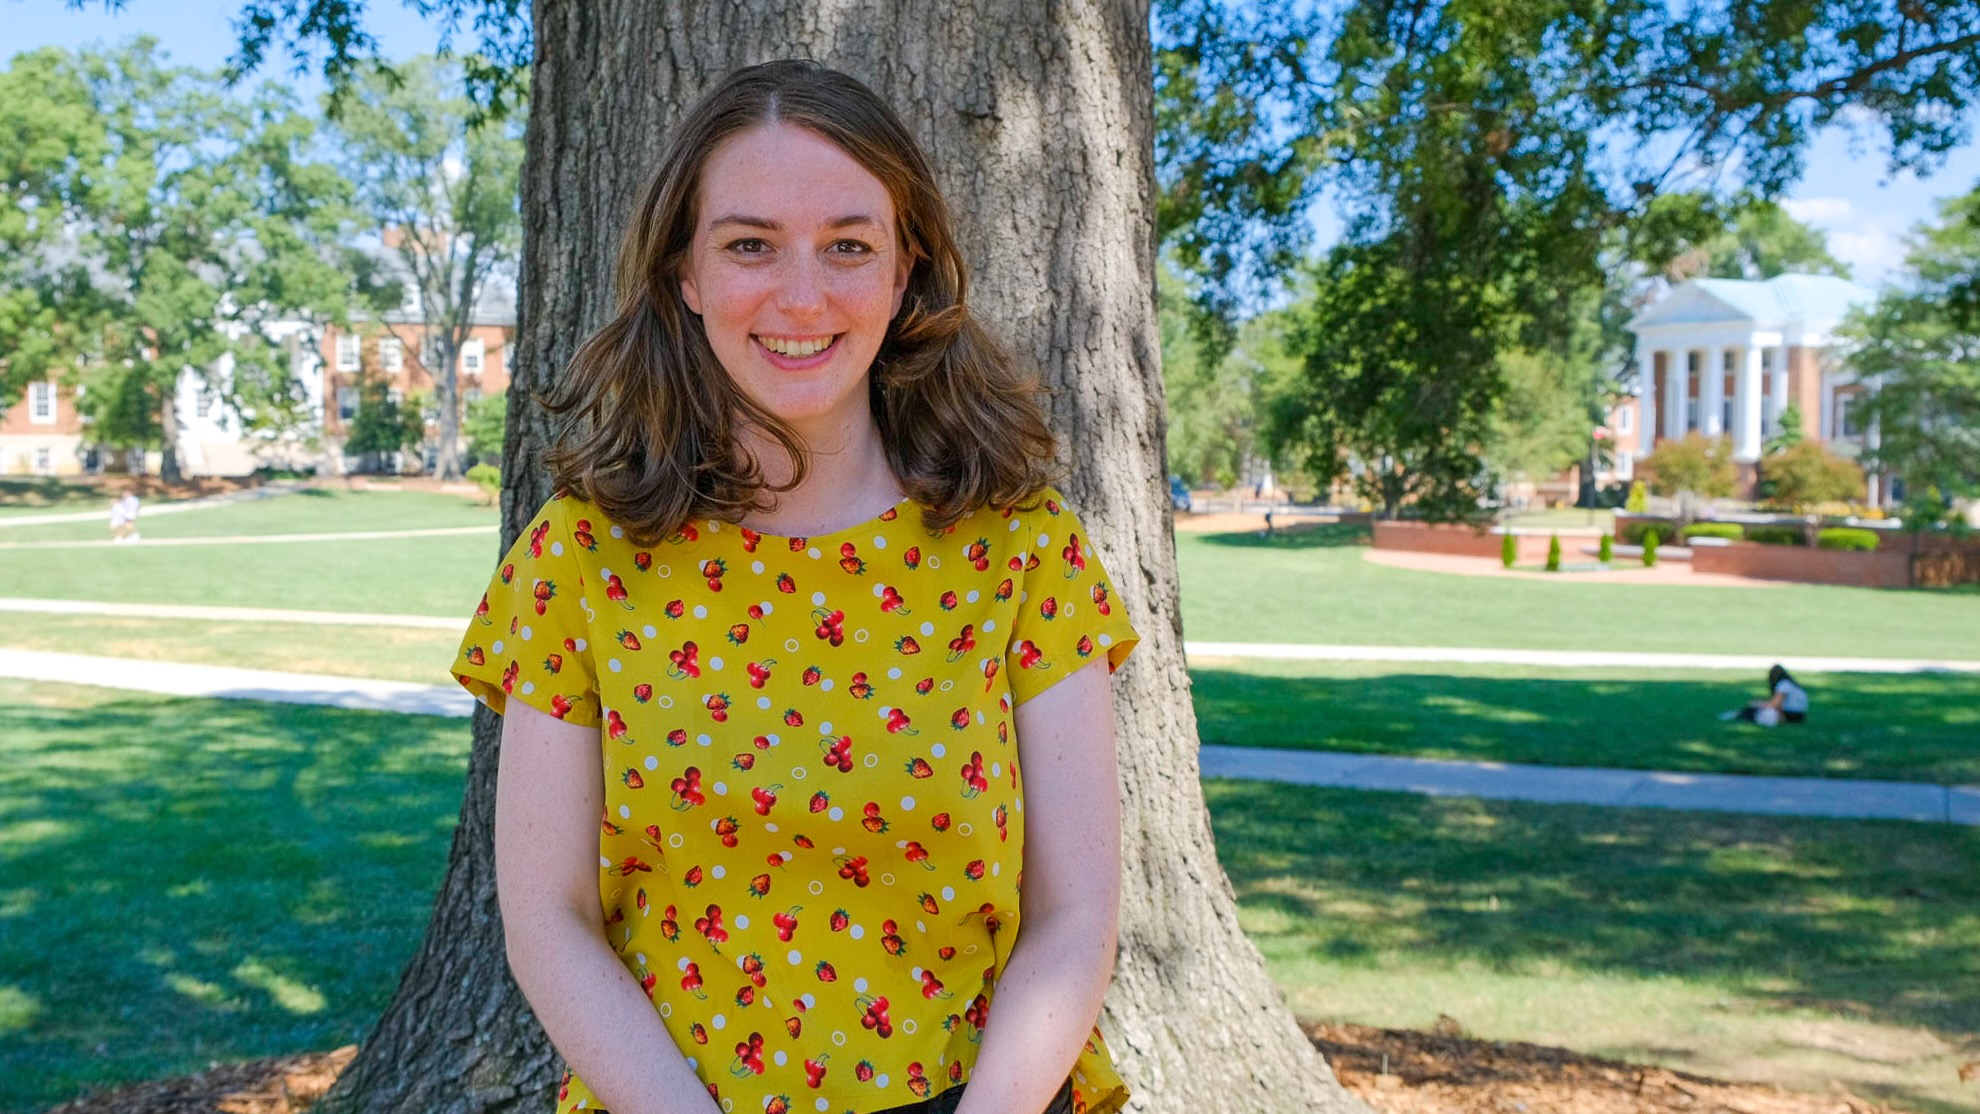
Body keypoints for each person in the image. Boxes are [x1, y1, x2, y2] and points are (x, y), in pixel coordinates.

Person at [452, 61, 1139, 1114]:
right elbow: (544, 916)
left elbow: (1076, 915)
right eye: (750, 244)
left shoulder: (1020, 549)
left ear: (907, 268)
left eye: (849, 245)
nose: (803, 294)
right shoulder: (580, 559)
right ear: (685, 271)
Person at [1723, 664, 1808, 726]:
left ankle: (1736, 715)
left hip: (1790, 715)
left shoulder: (1783, 685)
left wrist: (1758, 703)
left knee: (1755, 708)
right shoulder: (1793, 685)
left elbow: (1775, 704)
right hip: (1800, 716)